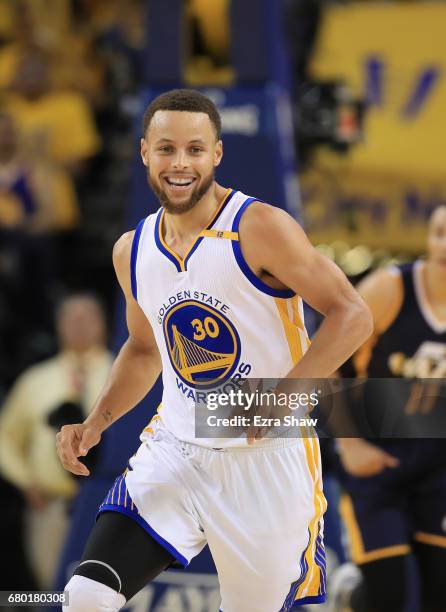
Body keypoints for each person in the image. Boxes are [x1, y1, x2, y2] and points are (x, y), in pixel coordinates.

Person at [56, 89, 372, 612]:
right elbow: (142, 349)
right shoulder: (131, 250)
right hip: (177, 449)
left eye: (195, 150)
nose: (180, 163)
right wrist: (96, 423)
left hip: (267, 460)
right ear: (144, 152)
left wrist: (281, 397)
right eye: (166, 149)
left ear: (217, 154)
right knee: (85, 598)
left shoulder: (260, 227)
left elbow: (351, 315)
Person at [334, 207, 446, 612]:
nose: (443, 245)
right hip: (376, 456)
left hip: (437, 463)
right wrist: (349, 446)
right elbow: (328, 362)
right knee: (390, 597)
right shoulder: (390, 289)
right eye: (438, 233)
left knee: (439, 595)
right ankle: (350, 597)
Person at [0, 292, 113, 588]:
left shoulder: (123, 373)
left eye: (86, 317)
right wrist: (26, 481)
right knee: (51, 591)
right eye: (71, 318)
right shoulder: (35, 379)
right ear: (58, 324)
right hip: (50, 505)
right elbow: (5, 437)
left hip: (111, 509)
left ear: (103, 323)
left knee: (106, 591)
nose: (79, 324)